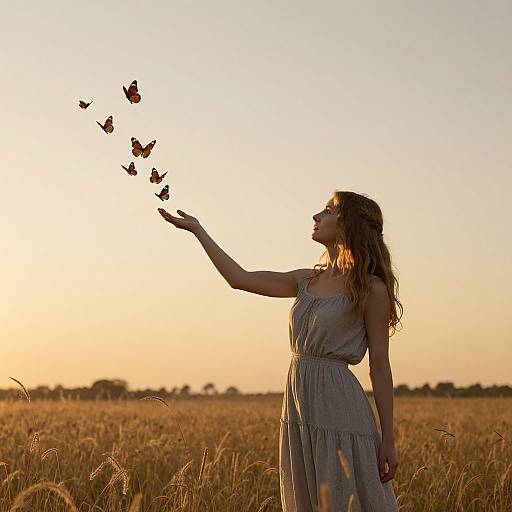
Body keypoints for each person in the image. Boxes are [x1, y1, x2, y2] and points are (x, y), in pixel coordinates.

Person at [157, 189, 402, 511]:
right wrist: (198, 230)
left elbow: (380, 368)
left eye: (327, 211)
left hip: (340, 407)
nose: (316, 216)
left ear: (349, 223)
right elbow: (239, 278)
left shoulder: (371, 288)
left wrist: (388, 439)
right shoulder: (305, 280)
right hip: (299, 403)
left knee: (345, 498)